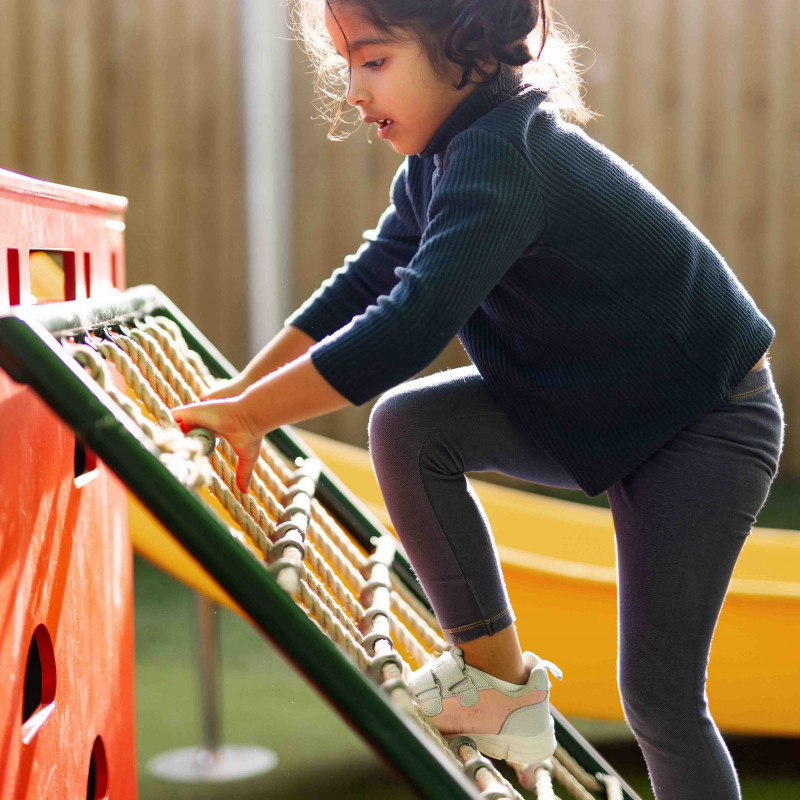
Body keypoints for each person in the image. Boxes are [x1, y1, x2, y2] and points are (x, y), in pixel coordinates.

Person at [171, 1, 785, 797]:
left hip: (705, 422)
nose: (353, 90)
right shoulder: (441, 162)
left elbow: (410, 320)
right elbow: (365, 282)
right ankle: (499, 686)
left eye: (375, 60)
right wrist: (243, 391)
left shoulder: (507, 157)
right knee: (411, 426)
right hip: (602, 404)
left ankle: (503, 692)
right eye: (347, 64)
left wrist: (253, 414)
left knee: (660, 697)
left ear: (464, 51)